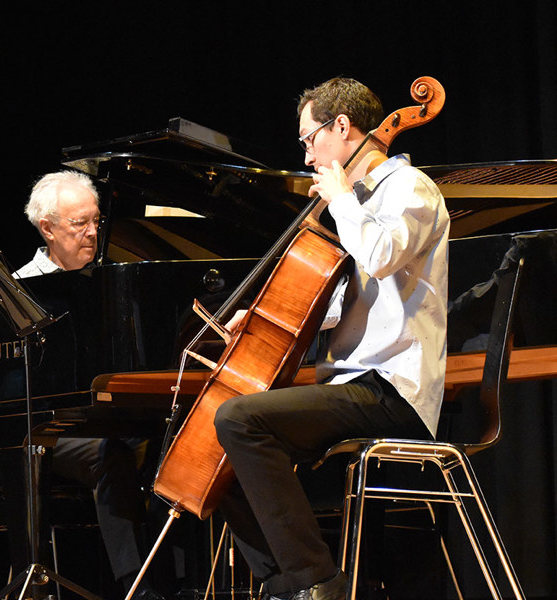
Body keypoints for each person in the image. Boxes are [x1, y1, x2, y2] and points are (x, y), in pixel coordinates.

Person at [210, 77, 449, 600]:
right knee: (217, 442)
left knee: (239, 420)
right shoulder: (359, 201)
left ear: (342, 126)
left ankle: (318, 581)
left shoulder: (410, 188)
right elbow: (338, 300)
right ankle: (290, 585)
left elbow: (381, 256)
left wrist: (342, 200)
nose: (306, 154)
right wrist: (261, 316)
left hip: (392, 388)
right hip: (351, 384)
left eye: (308, 138)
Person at [11, 170, 158, 598]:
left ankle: (185, 579)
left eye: (96, 221)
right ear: (47, 228)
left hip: (112, 417)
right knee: (111, 454)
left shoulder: (114, 281)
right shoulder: (19, 288)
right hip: (50, 427)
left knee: (175, 439)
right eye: (80, 224)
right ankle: (137, 589)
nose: (93, 232)